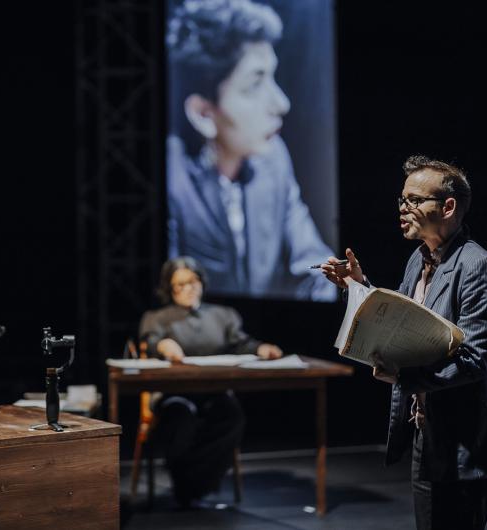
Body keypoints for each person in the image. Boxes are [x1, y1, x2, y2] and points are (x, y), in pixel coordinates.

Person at [321, 156, 487, 530]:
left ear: (448, 206)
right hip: (427, 434)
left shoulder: (477, 266)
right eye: (402, 201)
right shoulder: (418, 260)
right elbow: (399, 322)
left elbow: (475, 360)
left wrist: (403, 378)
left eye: (414, 200)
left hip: (463, 442)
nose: (403, 209)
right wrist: (358, 287)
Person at [166, 0, 337, 300]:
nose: (281, 103)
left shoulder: (274, 160)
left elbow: (313, 266)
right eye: (255, 85)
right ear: (203, 114)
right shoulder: (171, 176)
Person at [138, 256, 283, 505]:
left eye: (192, 281)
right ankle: (185, 487)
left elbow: (240, 343)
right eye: (179, 285)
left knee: (232, 416)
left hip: (213, 391)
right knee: (179, 418)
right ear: (169, 288)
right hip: (175, 392)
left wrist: (261, 349)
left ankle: (196, 484)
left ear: (201, 283)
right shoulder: (157, 318)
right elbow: (150, 342)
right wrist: (163, 344)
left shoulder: (222, 315)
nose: (188, 289)